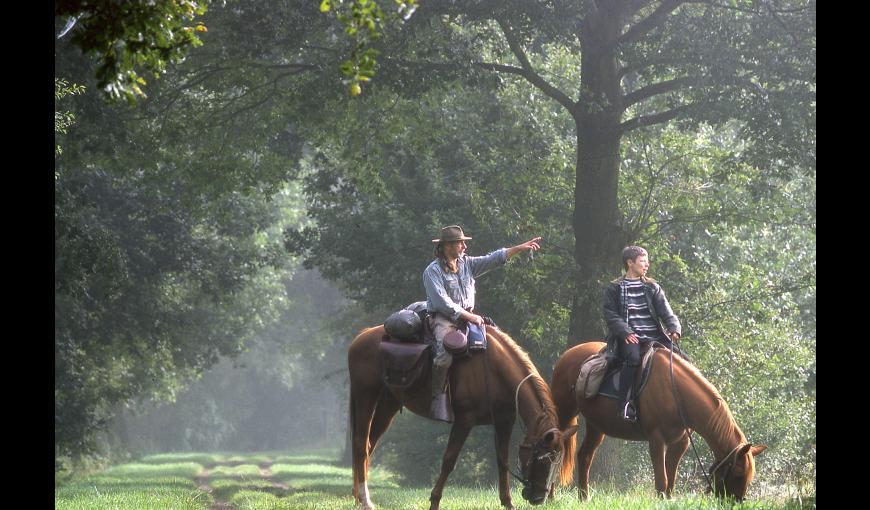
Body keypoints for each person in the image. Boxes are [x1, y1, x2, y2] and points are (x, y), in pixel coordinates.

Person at [423, 225, 542, 422]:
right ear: (447, 246)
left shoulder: (467, 264)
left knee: (497, 348)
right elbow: (442, 302)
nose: (464, 246)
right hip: (444, 319)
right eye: (460, 243)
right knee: (444, 353)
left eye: (463, 243)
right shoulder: (432, 272)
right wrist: (469, 317)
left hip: (469, 317)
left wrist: (520, 248)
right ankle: (438, 397)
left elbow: (493, 259)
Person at [603, 246, 682, 423]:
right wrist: (625, 332)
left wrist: (674, 327)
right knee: (632, 359)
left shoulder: (652, 286)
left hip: (655, 336)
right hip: (630, 337)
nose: (647, 264)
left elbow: (666, 311)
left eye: (647, 261)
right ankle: (623, 404)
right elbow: (610, 314)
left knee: (682, 358)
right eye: (643, 261)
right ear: (630, 263)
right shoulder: (614, 287)